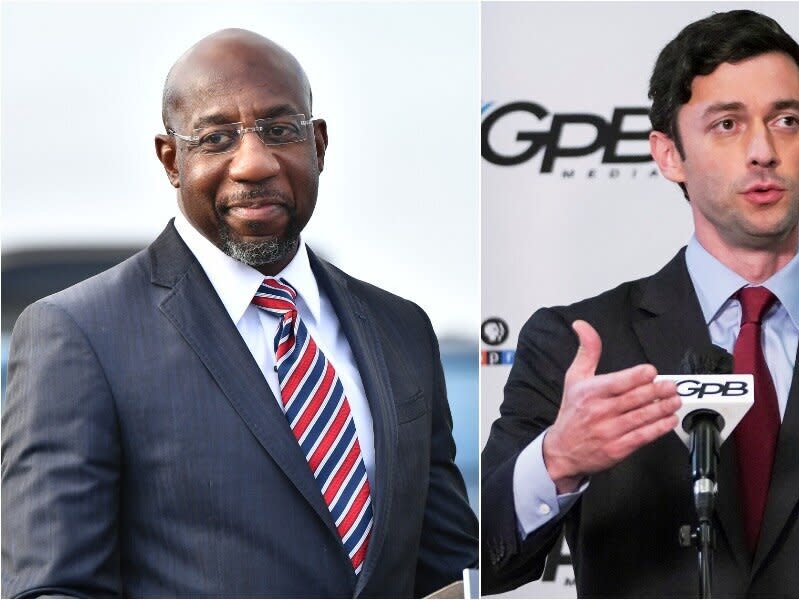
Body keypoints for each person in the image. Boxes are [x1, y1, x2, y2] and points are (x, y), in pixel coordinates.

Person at [481, 9, 799, 598]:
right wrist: (557, 459)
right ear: (668, 154)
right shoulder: (576, 344)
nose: (763, 150)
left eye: (787, 120)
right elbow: (486, 558)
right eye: (727, 124)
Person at [2, 29, 477, 598]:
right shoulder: (79, 335)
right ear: (171, 159)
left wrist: (550, 472)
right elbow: (53, 588)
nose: (253, 163)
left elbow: (449, 569)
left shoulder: (402, 331)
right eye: (216, 137)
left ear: (319, 146)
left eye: (280, 131)